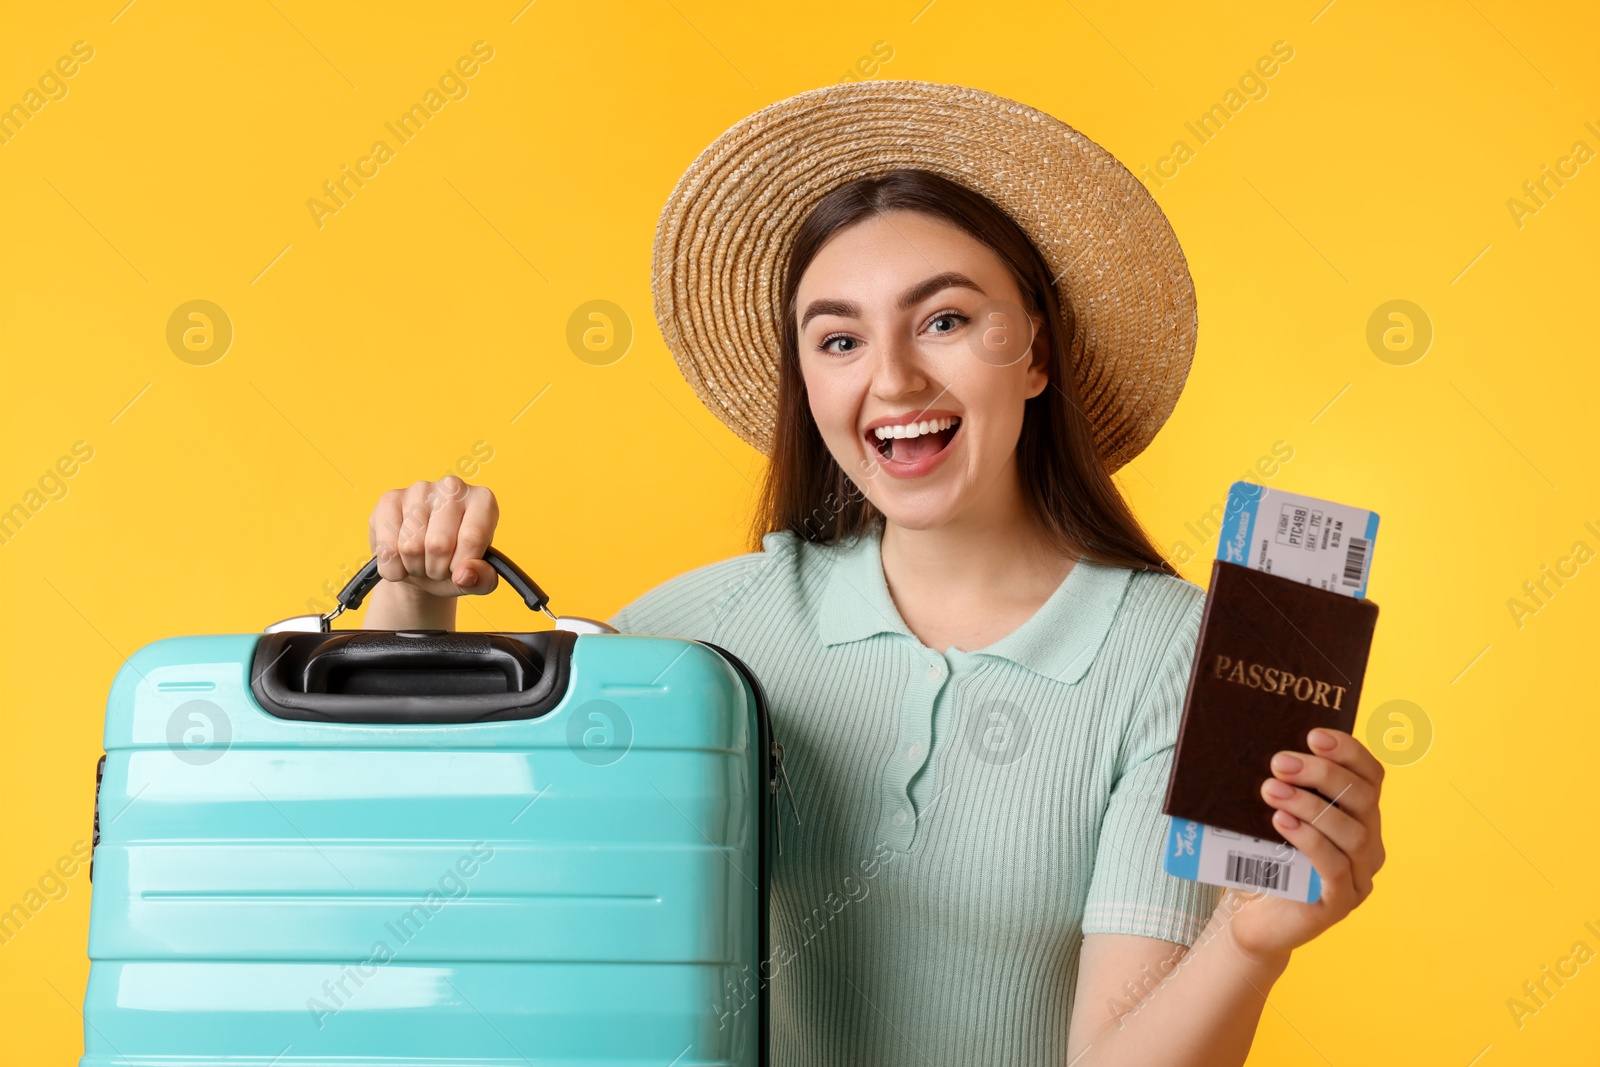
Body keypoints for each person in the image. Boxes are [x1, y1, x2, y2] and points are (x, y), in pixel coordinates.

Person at [362, 81, 1386, 1066]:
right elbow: (445, 871)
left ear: (1035, 352)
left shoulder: (1176, 653)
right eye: (840, 338)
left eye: (943, 320)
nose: (893, 378)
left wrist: (1247, 942)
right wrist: (415, 605)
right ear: (807, 382)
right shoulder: (701, 636)